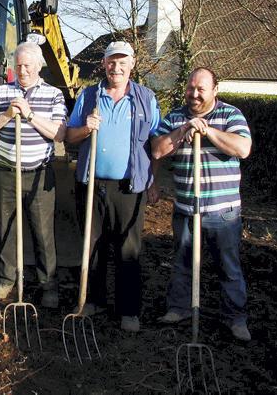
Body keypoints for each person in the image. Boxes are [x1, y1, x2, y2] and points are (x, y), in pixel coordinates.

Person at [151, 67, 253, 341]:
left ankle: (235, 318)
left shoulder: (230, 115)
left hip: (223, 212)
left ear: (214, 90)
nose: (194, 94)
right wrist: (183, 130)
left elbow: (243, 148)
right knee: (182, 262)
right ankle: (179, 308)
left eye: (201, 90)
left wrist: (208, 132)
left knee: (228, 267)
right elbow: (157, 149)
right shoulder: (174, 117)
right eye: (190, 88)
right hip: (186, 208)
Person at [65, 40, 161, 333]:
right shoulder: (89, 96)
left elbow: (156, 143)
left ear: (132, 64)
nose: (116, 67)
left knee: (128, 248)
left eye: (122, 62)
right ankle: (92, 300)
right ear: (103, 64)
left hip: (129, 187)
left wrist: (153, 180)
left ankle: (128, 309)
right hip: (92, 183)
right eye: (111, 62)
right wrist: (86, 128)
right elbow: (69, 136)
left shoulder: (145, 98)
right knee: (92, 245)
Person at [0, 42, 67, 308]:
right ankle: (6, 279)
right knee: (5, 228)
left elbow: (59, 133)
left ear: (39, 66)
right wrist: (7, 114)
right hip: (6, 172)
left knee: (42, 232)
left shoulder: (54, 95)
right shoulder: (1, 92)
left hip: (39, 174)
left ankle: (47, 284)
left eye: (28, 65)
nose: (23, 70)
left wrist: (29, 115)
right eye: (18, 65)